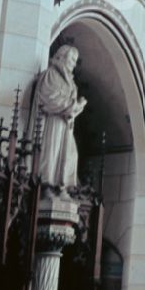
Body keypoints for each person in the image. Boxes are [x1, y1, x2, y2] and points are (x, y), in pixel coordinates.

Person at [33, 44, 87, 190]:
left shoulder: (70, 82)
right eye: (71, 59)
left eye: (75, 61)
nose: (74, 64)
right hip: (53, 122)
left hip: (66, 124)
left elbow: (70, 103)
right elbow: (49, 98)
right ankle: (46, 185)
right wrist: (72, 106)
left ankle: (61, 186)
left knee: (71, 155)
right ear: (62, 56)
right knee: (52, 152)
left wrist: (77, 107)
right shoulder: (51, 74)